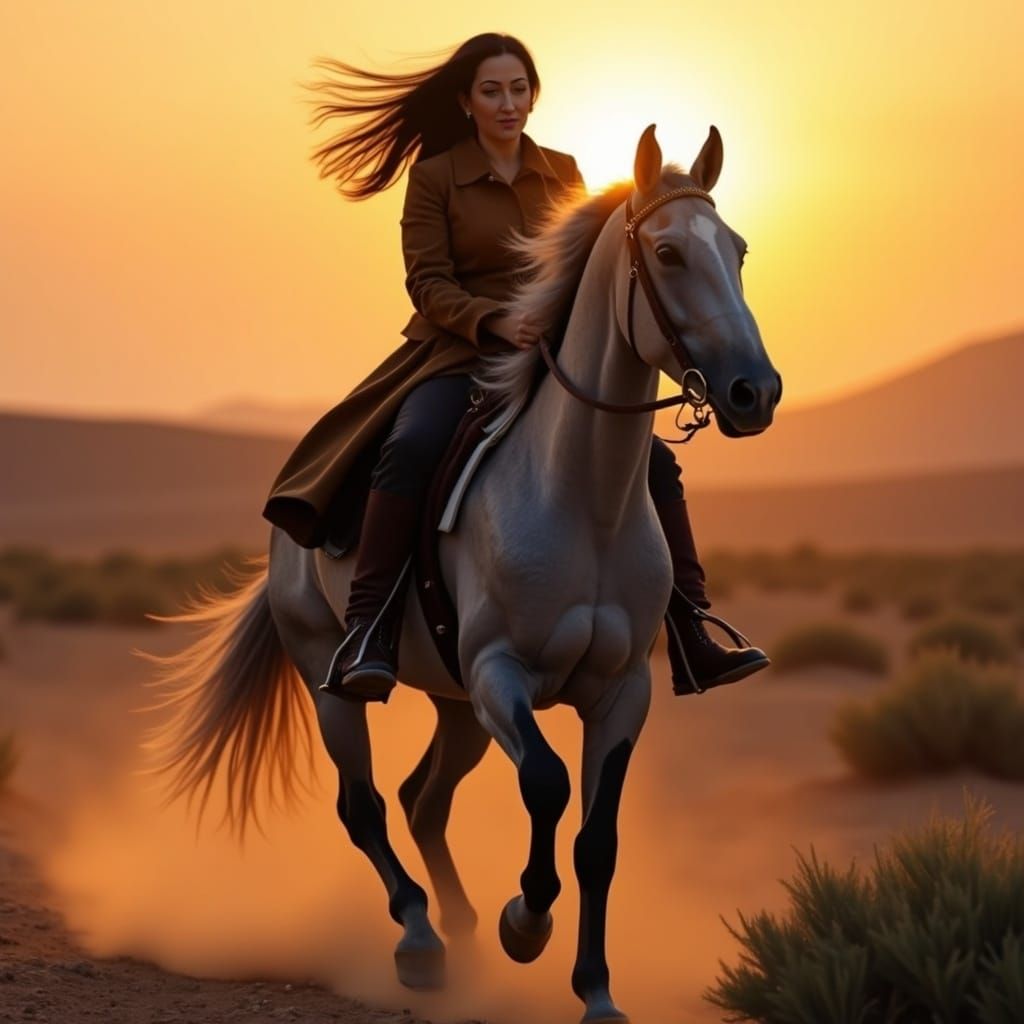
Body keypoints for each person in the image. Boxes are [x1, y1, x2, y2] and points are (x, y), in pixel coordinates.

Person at [262, 33, 769, 702]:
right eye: (492, 91)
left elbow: (588, 273)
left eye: (519, 89)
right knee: (410, 446)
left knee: (655, 462)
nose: (508, 103)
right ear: (466, 102)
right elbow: (427, 283)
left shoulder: (562, 171)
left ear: (533, 97)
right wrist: (492, 320)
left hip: (549, 358)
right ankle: (368, 627)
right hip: (456, 354)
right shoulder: (435, 177)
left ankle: (692, 628)